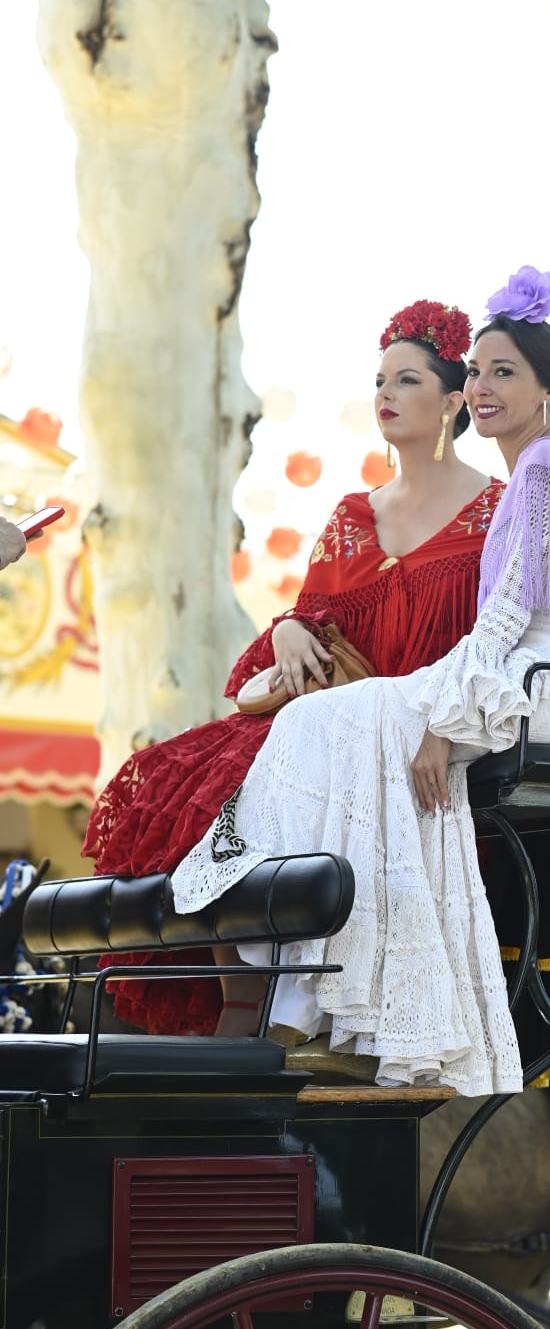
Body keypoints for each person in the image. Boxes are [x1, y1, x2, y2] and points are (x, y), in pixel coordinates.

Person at [169, 264, 550, 1095]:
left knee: (337, 722)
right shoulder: (531, 471)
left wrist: (444, 723)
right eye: (483, 368)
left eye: (503, 373)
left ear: (543, 391)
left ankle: (338, 1003)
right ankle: (318, 999)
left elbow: (505, 619)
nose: (488, 385)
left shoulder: (540, 470)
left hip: (544, 690)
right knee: (323, 723)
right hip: (509, 679)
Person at [84, 297, 505, 1036]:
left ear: (453, 399)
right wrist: (284, 634)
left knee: (279, 779)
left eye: (406, 380)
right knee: (199, 782)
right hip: (320, 711)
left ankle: (291, 1006)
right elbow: (312, 617)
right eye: (379, 380)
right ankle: (244, 1008)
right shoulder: (350, 513)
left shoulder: (499, 513)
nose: (384, 394)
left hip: (414, 720)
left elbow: (521, 624)